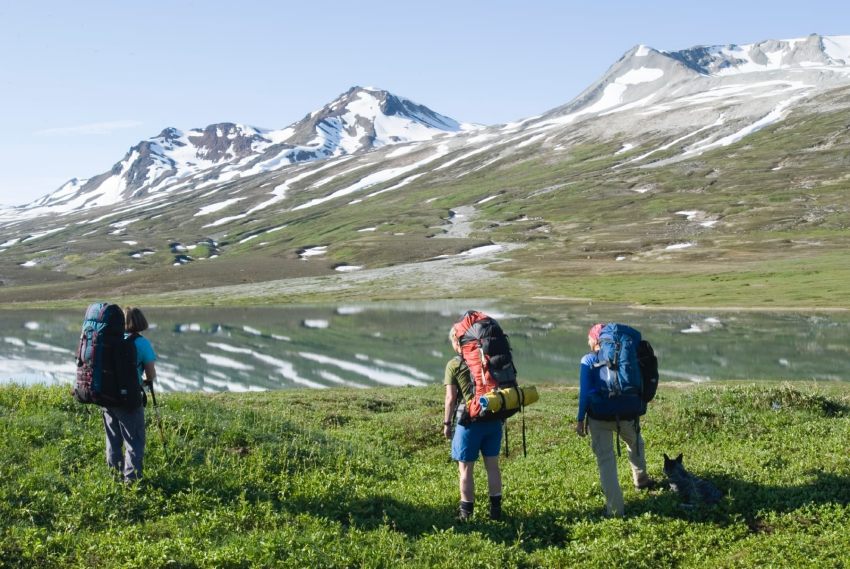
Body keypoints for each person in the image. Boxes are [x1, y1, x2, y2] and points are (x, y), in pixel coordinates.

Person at [576, 323, 655, 517]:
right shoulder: (626, 354)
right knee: (635, 443)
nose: (588, 341)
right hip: (628, 411)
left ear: (596, 339)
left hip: (599, 416)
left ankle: (615, 510)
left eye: (589, 338)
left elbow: (585, 393)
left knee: (606, 461)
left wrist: (580, 419)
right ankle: (641, 478)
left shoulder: (588, 359)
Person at [442, 327, 503, 521]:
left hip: (469, 421)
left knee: (466, 469)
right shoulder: (487, 359)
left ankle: (465, 514)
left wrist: (446, 423)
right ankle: (495, 513)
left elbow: (451, 398)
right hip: (493, 419)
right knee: (492, 467)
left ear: (457, 341)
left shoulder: (454, 364)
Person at [102, 306, 157, 482]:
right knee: (134, 441)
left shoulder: (109, 341)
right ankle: (131, 483)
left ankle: (115, 478)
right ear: (141, 321)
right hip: (129, 400)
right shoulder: (142, 343)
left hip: (107, 397)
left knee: (113, 440)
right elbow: (150, 375)